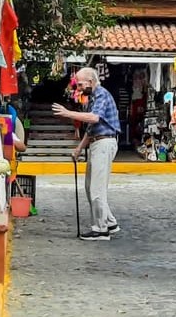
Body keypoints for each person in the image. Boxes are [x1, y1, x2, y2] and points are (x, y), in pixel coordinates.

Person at [52, 67, 121, 241]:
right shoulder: (93, 98)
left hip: (104, 143)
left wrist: (68, 113)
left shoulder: (102, 95)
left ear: (91, 81)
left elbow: (94, 118)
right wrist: (79, 149)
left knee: (97, 189)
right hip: (97, 142)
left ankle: (101, 229)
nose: (79, 88)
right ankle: (110, 222)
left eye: (81, 84)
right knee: (90, 186)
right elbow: (91, 130)